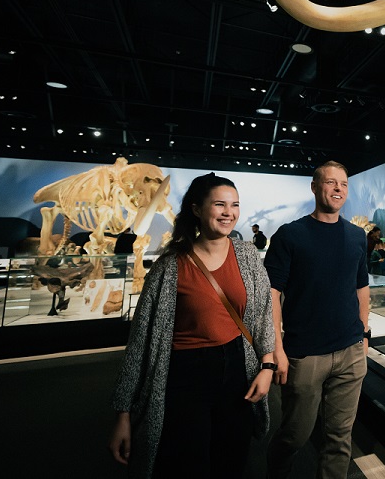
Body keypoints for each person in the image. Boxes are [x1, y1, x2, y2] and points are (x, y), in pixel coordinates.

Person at [108, 173, 276, 479]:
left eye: (235, 205)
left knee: (232, 459)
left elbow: (264, 314)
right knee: (188, 463)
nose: (229, 212)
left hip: (238, 368)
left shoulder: (249, 256)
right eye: (220, 204)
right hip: (185, 376)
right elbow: (141, 342)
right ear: (197, 209)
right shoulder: (169, 266)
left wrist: (267, 366)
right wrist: (123, 413)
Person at [264, 161, 369, 479]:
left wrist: (364, 334)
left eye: (344, 184)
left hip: (351, 353)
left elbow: (361, 288)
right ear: (314, 186)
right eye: (331, 182)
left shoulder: (356, 236)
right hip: (304, 354)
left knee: (339, 440)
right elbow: (271, 296)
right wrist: (276, 347)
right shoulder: (290, 236)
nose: (338, 188)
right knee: (295, 435)